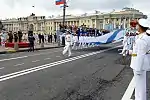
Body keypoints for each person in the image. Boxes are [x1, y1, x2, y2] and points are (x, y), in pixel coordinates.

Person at [129, 18, 150, 100]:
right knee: (139, 86)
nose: (136, 26)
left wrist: (138, 69)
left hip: (139, 65)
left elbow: (140, 55)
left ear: (140, 27)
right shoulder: (145, 37)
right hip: (142, 64)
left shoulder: (142, 40)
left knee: (140, 87)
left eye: (137, 25)